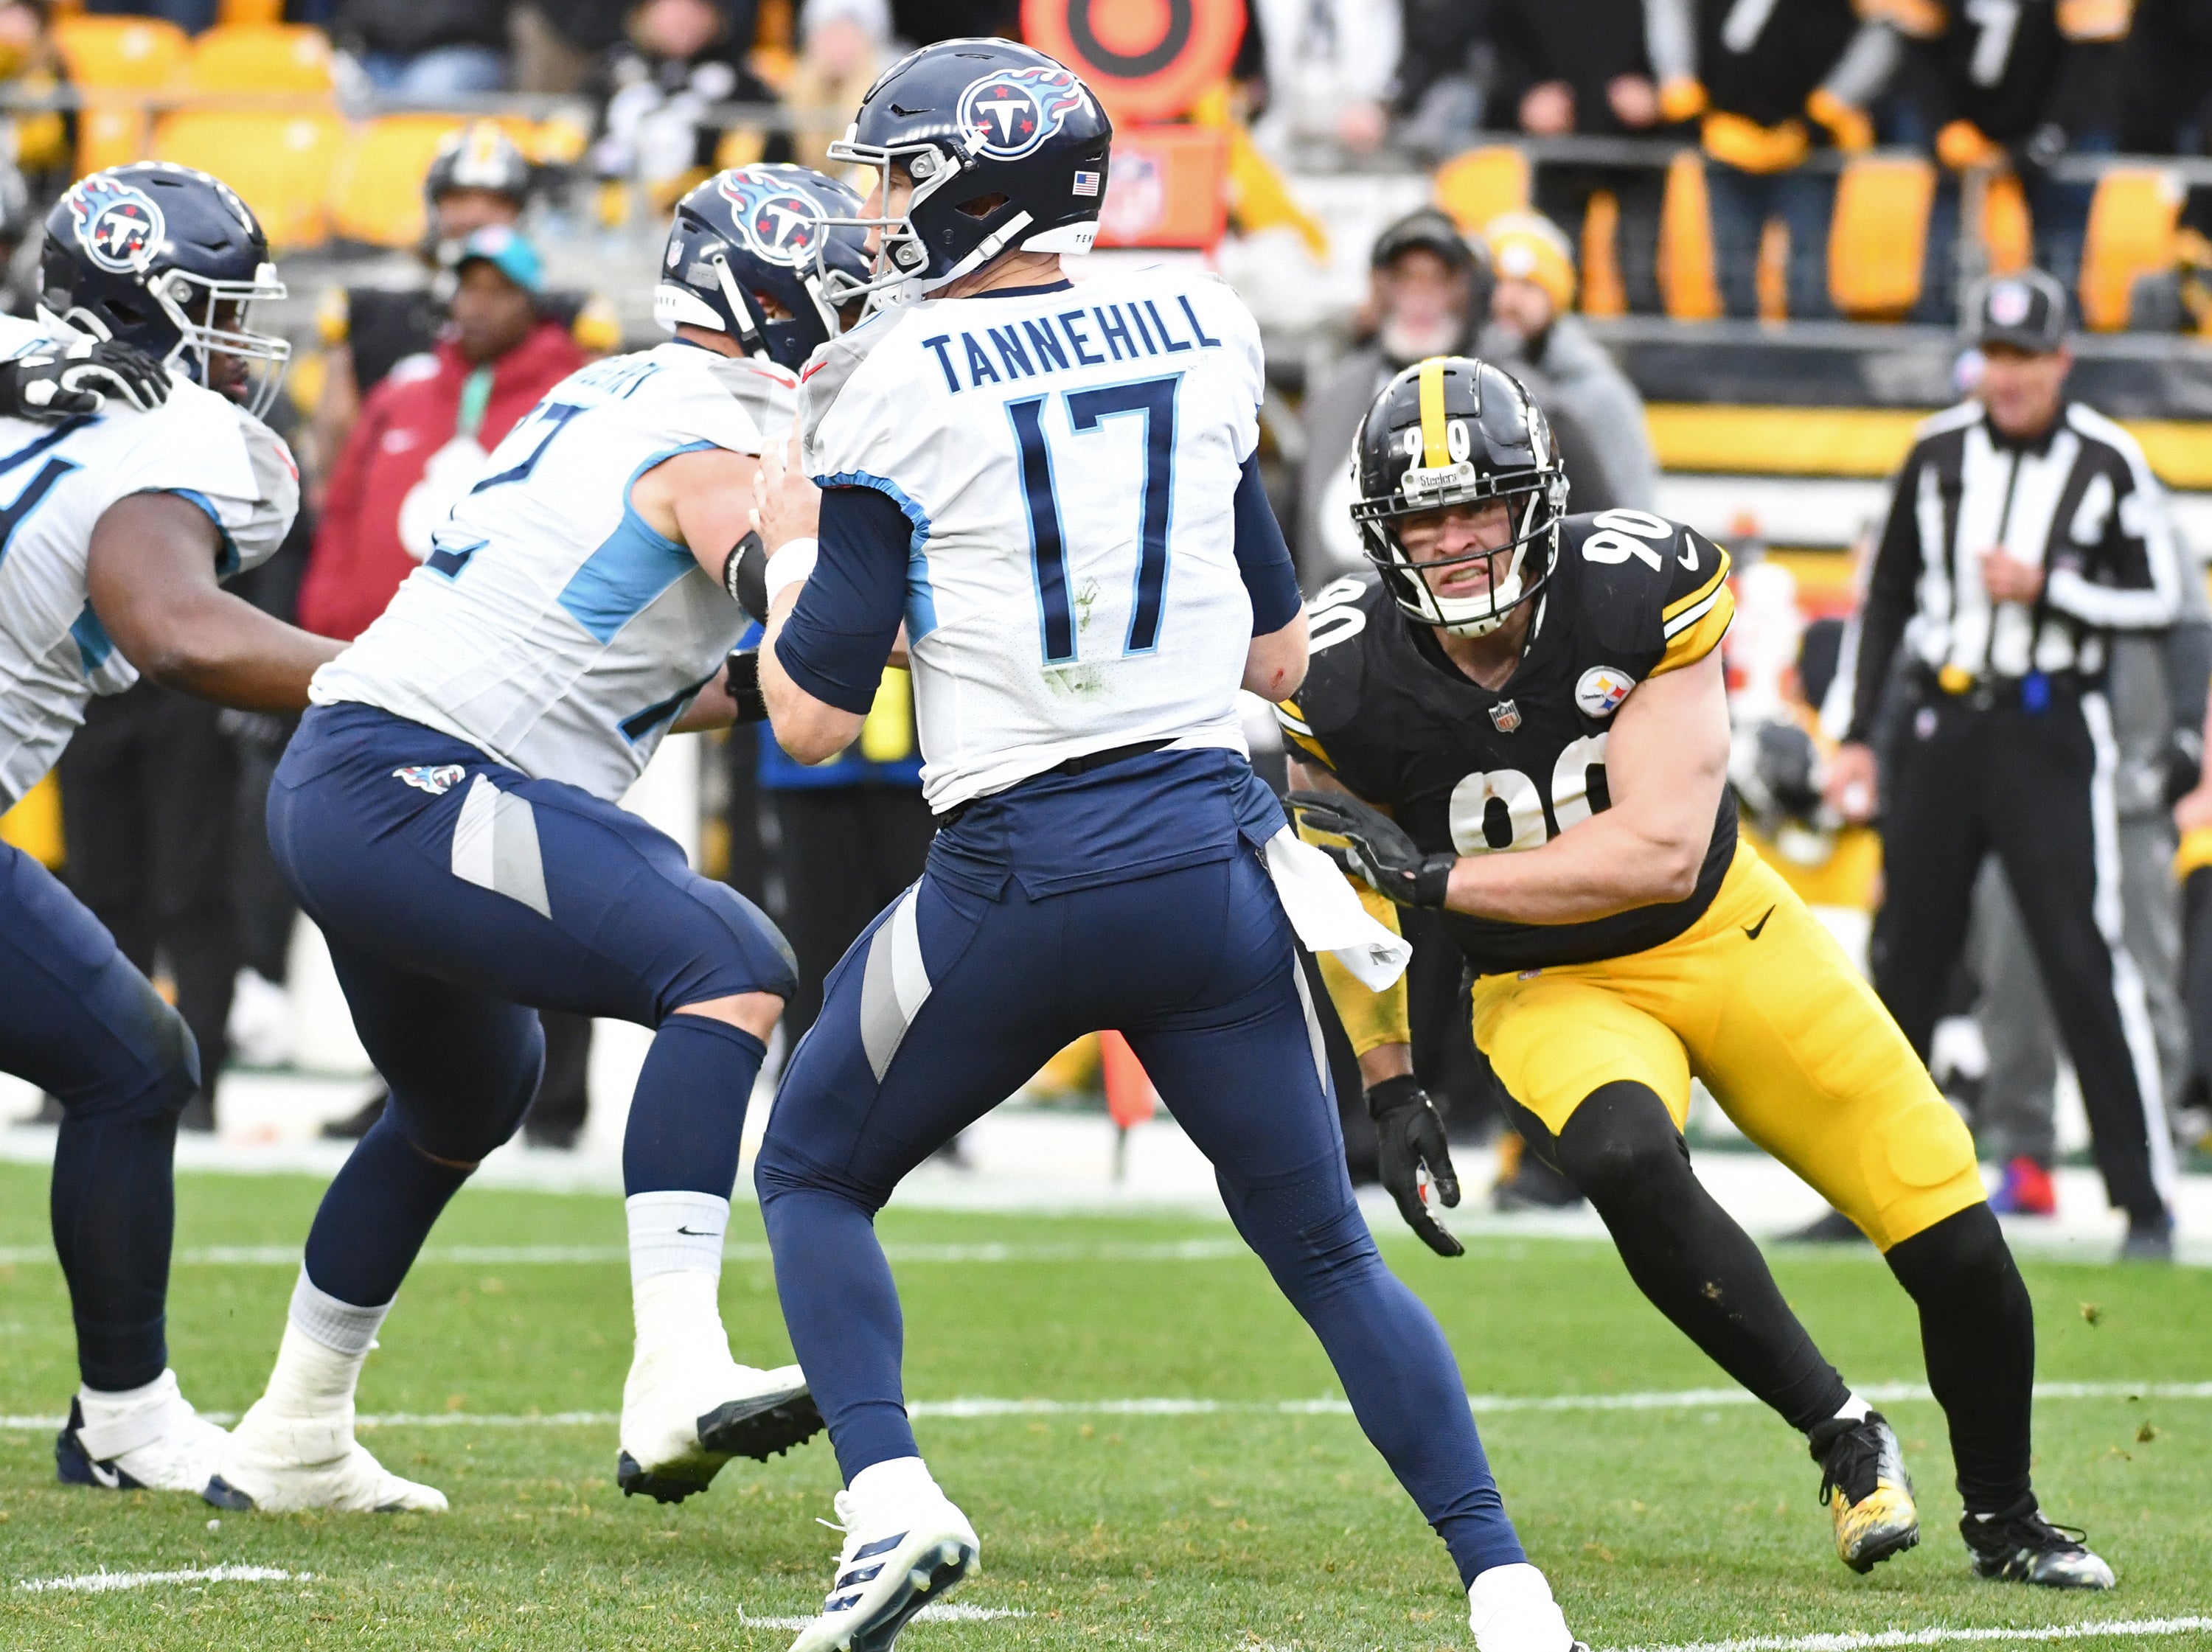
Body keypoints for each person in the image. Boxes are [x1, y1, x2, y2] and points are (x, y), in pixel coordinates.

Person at [747, 40, 1585, 1652]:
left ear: (971, 189)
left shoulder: (889, 380)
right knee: (1324, 1247)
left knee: (813, 1166)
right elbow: (1276, 657)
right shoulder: (1203, 319)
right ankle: (1507, 1585)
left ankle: (891, 1501)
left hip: (1018, 869)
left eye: (902, 175)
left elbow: (806, 717)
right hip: (1211, 864)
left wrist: (788, 551)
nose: (881, 206)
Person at [1283, 353, 2118, 1592]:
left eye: (1476, 508)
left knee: (1951, 1237)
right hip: (1549, 989)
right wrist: (1391, 1078)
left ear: (1539, 501)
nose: (1455, 542)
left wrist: (1438, 885)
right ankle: (1842, 1432)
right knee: (1621, 1154)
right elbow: (1336, 888)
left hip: (1729, 935)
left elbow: (1661, 853)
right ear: (1382, 531)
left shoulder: (1637, 586)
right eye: (1425, 517)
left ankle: (2006, 1514)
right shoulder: (1339, 674)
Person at [206, 165, 872, 1516]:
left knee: (466, 1094)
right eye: (844, 289)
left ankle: (289, 1435)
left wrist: (766, 672)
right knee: (729, 960)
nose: (859, 316)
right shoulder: (722, 441)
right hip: (412, 778)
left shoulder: (618, 390)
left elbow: (626, 660)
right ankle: (676, 1368)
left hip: (359, 775)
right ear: (772, 294)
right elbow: (814, 665)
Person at [0, 163, 333, 1495]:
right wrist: (392, 677)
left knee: (133, 1060)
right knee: (133, 1063)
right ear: (156, 310)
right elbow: (172, 625)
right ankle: (128, 1416)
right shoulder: (185, 441)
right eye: (221, 307)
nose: (244, 338)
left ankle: (126, 1415)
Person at [1823, 268, 2184, 1260]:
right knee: (1906, 958)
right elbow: (1886, 595)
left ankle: (2143, 1199)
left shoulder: (2109, 460)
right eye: (1999, 356)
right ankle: (1860, 1186)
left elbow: (2160, 597)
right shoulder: (1935, 451)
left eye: (2031, 357)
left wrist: (2053, 587)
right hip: (1943, 724)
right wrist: (1857, 733)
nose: (2013, 376)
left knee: (2082, 957)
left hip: (2048, 727)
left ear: (2063, 359)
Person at [313, 123, 619, 487]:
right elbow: (335, 452)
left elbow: (600, 446)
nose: (475, 215)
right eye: (459, 199)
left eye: (495, 202)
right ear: (433, 204)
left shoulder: (570, 317)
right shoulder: (368, 309)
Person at [1644, 0, 1897, 319]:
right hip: (1727, 141)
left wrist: (1827, 109)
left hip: (1810, 152)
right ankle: (1741, 366)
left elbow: (1883, 26)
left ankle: (1811, 367)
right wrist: (1681, 89)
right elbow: (1671, 11)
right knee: (1734, 277)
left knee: (1808, 282)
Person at [1890, 0, 2124, 321]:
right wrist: (1943, 125)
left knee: (2056, 272)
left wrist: (2048, 139)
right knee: (1949, 271)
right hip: (1967, 138)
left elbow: (2093, 57)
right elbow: (1916, 45)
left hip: (2056, 137)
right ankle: (1945, 354)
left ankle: (2058, 354)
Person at [1298, 208, 1492, 583]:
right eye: (1403, 278)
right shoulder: (1332, 398)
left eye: (1438, 279)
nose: (1419, 296)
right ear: (1376, 289)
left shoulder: (1520, 401)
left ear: (1469, 291)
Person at [1486, 0, 1671, 315]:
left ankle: (1648, 364)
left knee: (1642, 285)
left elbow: (1683, 35)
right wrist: (1525, 96)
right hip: (1557, 148)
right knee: (1556, 281)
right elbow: (1494, 41)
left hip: (1640, 149)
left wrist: (1661, 92)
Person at [1477, 213, 1658, 515]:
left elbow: (1635, 512)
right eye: (1500, 284)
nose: (1508, 299)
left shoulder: (1600, 396)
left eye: (1528, 286)